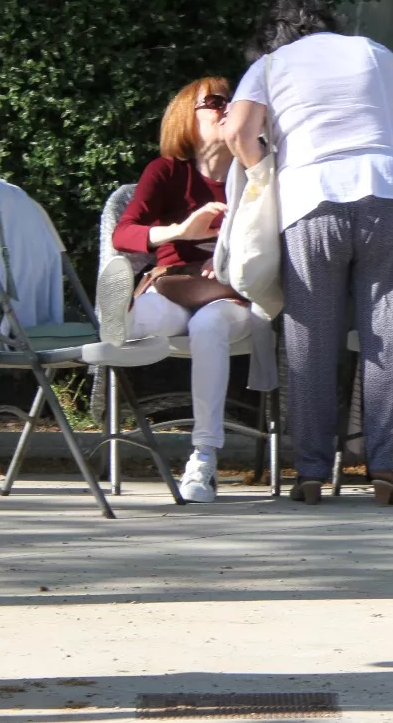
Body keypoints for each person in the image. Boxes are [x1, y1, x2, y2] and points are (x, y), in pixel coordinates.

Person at [222, 0, 393, 506]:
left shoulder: (271, 66)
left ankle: (310, 473)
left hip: (310, 200)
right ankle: (388, 471)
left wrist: (261, 169)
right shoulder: (370, 51)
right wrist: (386, 114)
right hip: (389, 194)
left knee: (309, 339)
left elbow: (237, 132)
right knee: (388, 337)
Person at [96, 77, 265, 503]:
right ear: (185, 116)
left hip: (231, 293)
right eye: (213, 101)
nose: (225, 107)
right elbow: (123, 234)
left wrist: (228, 254)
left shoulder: (257, 170)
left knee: (209, 326)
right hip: (174, 285)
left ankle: (203, 458)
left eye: (231, 100)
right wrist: (180, 230)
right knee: (154, 318)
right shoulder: (167, 171)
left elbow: (275, 234)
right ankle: (118, 319)